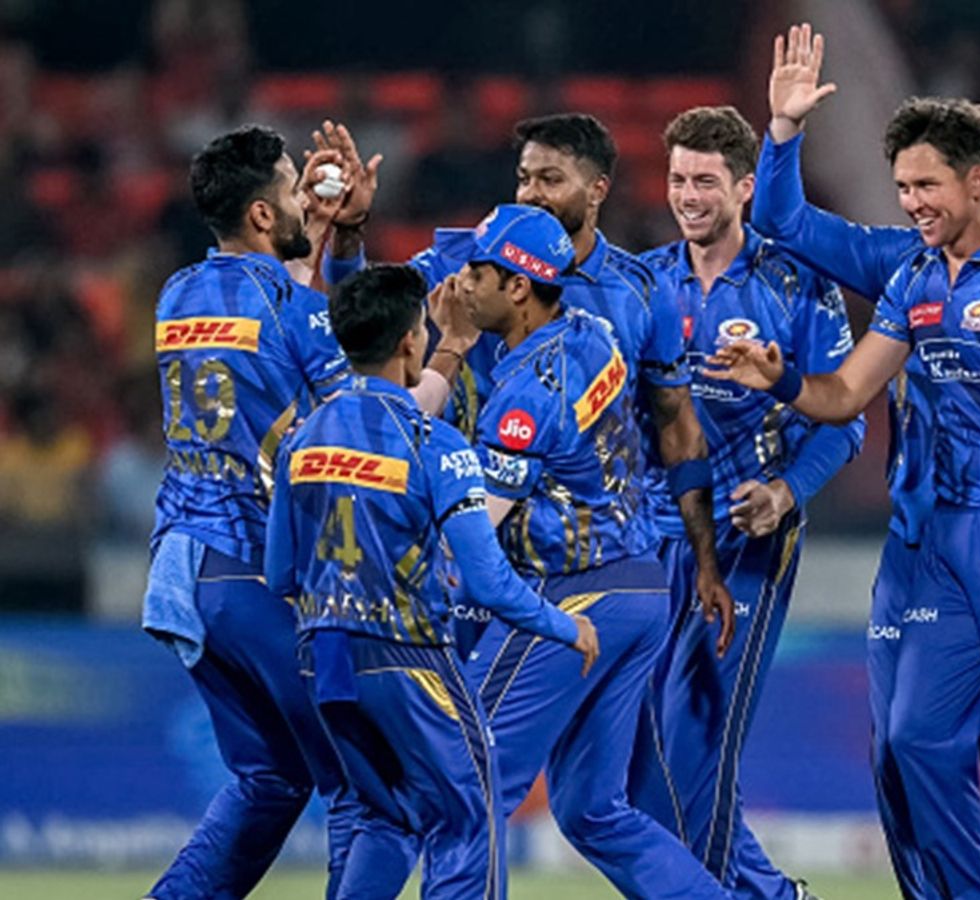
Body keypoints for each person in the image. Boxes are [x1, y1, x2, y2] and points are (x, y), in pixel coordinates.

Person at [712, 94, 980, 900]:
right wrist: (780, 377)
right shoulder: (914, 276)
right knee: (914, 739)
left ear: (977, 180)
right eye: (903, 187)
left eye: (927, 185)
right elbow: (849, 391)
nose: (914, 202)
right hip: (938, 537)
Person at [322, 115, 734, 657]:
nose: (531, 193)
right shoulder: (469, 261)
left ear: (597, 191)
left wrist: (706, 561)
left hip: (588, 564)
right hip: (474, 545)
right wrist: (349, 230)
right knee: (468, 723)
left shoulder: (641, 291)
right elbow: (364, 316)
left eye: (550, 179)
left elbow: (675, 423)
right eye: (524, 178)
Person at [263, 263, 598, 900]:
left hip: (323, 659)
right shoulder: (434, 443)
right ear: (409, 343)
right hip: (408, 657)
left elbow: (281, 571)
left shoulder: (300, 440)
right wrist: (565, 625)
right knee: (469, 814)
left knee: (385, 814)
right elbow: (488, 582)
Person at [457, 204, 732, 899]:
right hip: (639, 588)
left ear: (519, 287)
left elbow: (477, 530)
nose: (463, 283)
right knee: (593, 809)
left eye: (478, 270)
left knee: (466, 782)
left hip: (572, 593)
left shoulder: (525, 396)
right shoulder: (592, 334)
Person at [631, 104, 865, 900]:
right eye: (676, 179)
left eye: (704, 180)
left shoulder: (794, 284)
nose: (687, 196)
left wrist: (786, 492)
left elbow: (843, 420)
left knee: (699, 741)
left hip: (745, 537)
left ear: (742, 186)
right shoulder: (645, 282)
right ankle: (770, 894)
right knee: (642, 755)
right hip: (652, 538)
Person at [141, 125, 359, 900]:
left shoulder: (177, 293)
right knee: (359, 784)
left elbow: (273, 328)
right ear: (264, 214)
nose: (308, 193)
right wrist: (346, 250)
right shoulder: (291, 307)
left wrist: (325, 243)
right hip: (252, 568)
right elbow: (359, 407)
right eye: (296, 181)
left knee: (269, 778)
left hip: (179, 569)